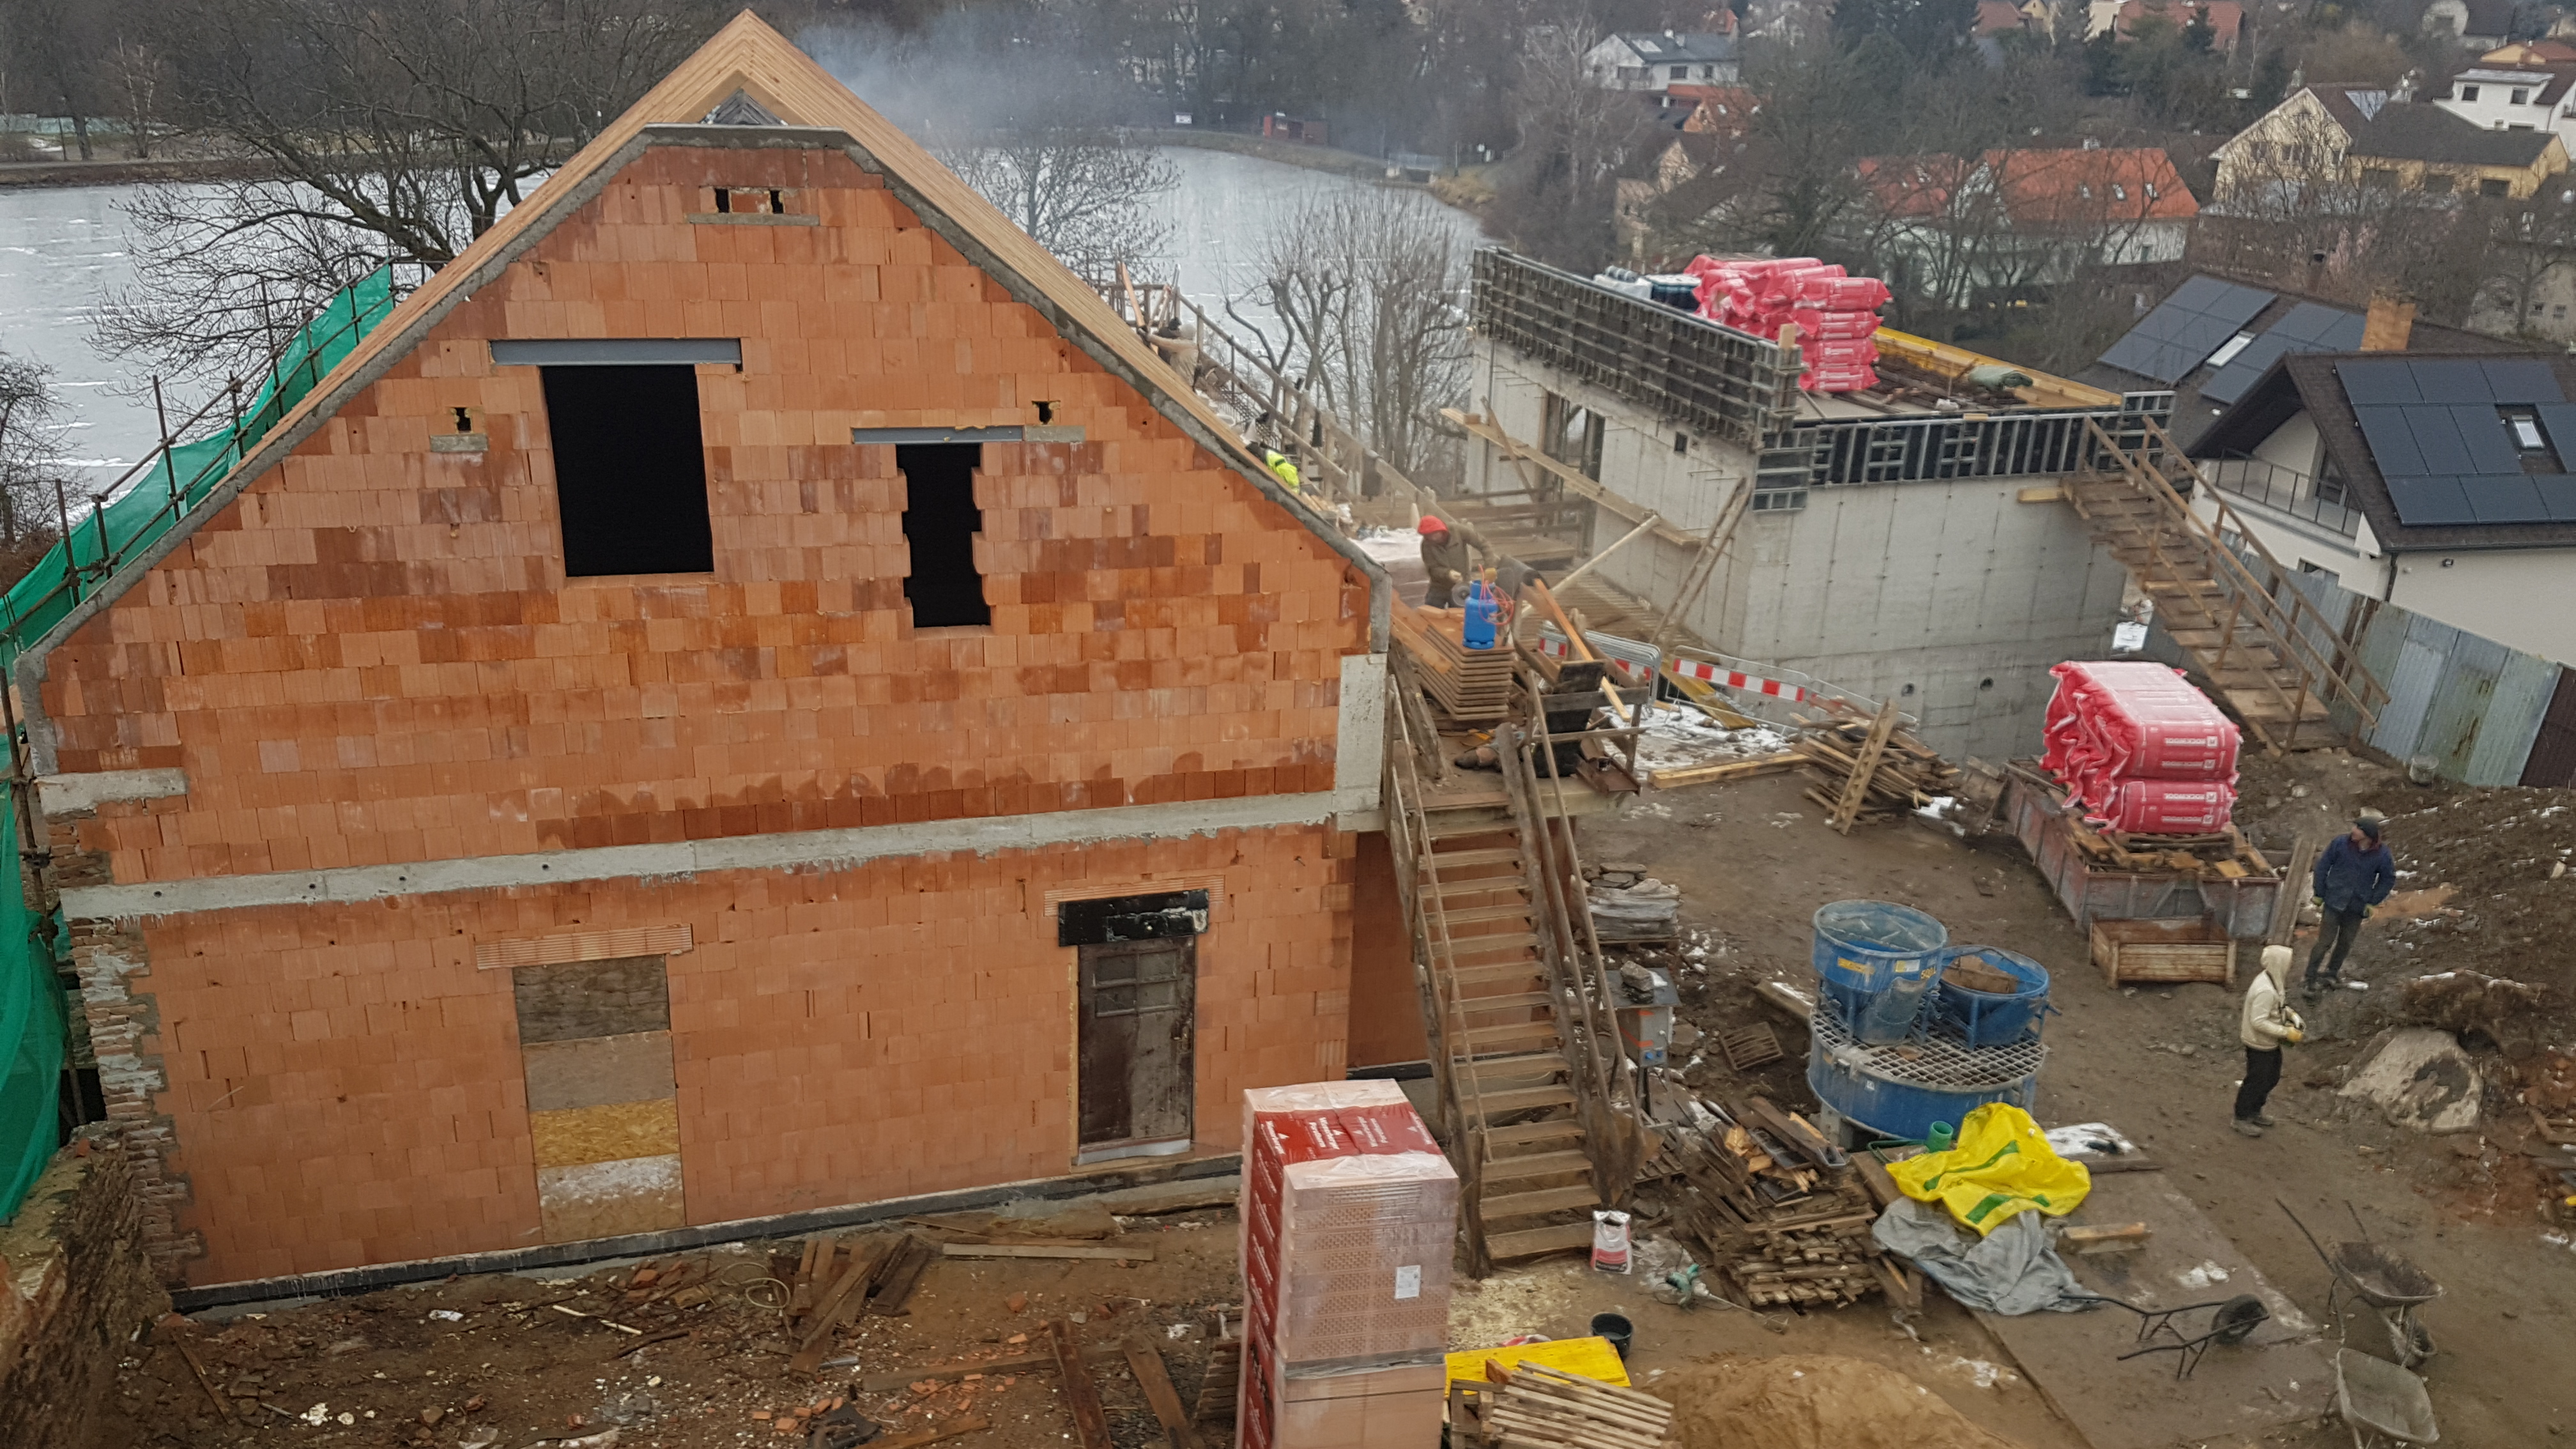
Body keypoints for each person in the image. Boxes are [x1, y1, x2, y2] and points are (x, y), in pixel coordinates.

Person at [2306, 811, 2395, 997]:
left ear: (2368, 835)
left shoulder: (2382, 854)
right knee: (2324, 942)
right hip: (2334, 901)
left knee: (2345, 942)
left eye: (2358, 828)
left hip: (2357, 906)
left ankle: (2331, 973)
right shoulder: (2340, 844)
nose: (2353, 830)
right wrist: (2319, 893)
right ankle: (2310, 978)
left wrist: (2372, 901)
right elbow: (2323, 867)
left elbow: (2387, 879)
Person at [2235, 944, 2304, 1137]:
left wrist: (2290, 1014)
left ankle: (2255, 1110)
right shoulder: (2265, 990)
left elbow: (2276, 1006)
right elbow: (2258, 1021)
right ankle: (2241, 1117)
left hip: (2268, 1042)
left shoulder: (2274, 981)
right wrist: (2285, 1032)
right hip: (2258, 1042)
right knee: (2256, 1080)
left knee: (2271, 1077)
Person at [1418, 516, 1473, 608]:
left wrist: (1490, 566)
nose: (1433, 538)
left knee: (1460, 613)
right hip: (1439, 585)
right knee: (1430, 611)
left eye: (1435, 534)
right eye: (1429, 536)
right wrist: (1448, 573)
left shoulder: (1458, 531)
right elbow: (1432, 569)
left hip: (1461, 585)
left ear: (1442, 530)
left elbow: (1483, 544)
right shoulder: (1426, 545)